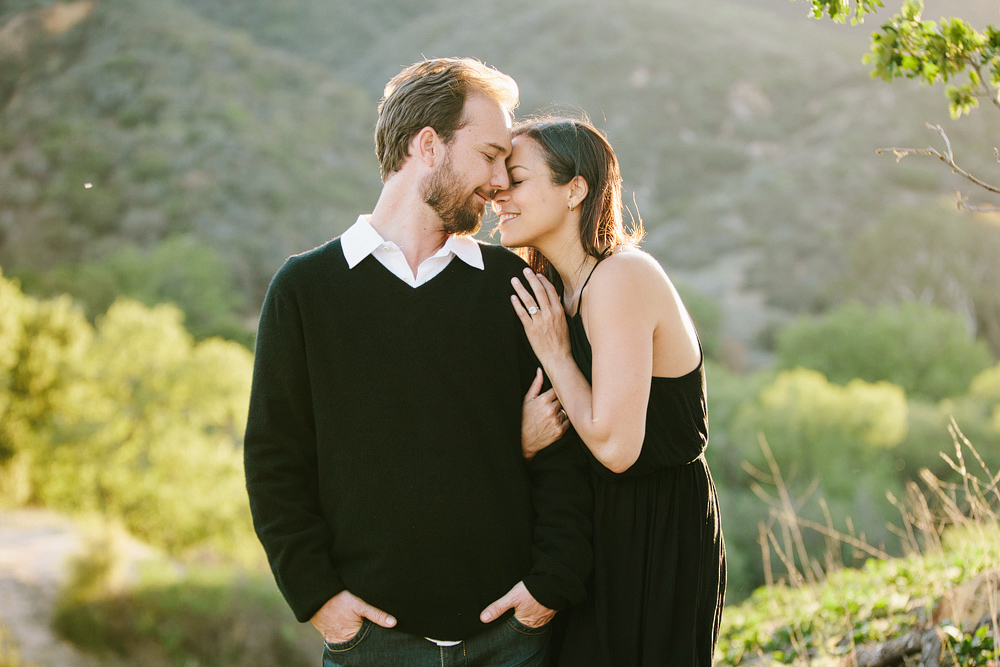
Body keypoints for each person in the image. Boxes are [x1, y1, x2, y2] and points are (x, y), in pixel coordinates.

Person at [243, 60, 592, 666]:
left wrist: (548, 588)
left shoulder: (513, 285)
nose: (498, 184)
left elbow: (563, 448)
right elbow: (275, 460)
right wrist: (320, 599)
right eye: (488, 156)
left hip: (509, 640)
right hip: (370, 645)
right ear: (428, 145)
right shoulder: (305, 289)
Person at [493, 117, 726, 666]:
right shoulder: (554, 288)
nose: (498, 193)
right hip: (588, 532)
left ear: (575, 189)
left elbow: (617, 448)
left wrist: (555, 353)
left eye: (517, 179)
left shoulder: (623, 277)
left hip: (654, 533)